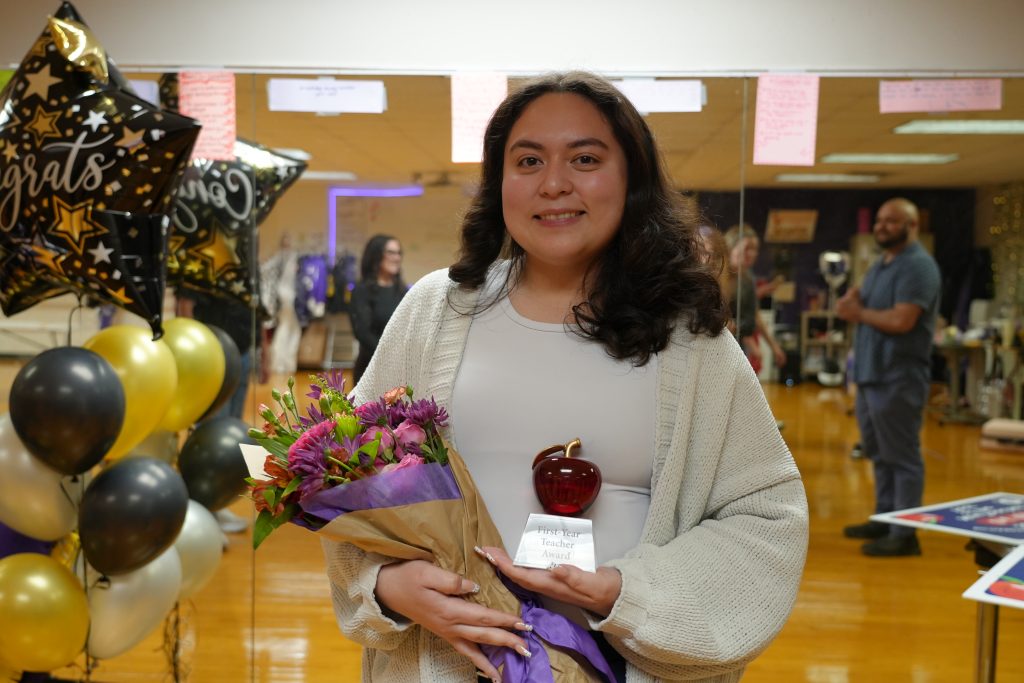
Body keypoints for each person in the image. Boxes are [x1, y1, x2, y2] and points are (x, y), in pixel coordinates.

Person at [321, 71, 807, 683]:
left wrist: (624, 594)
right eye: (528, 160)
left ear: (631, 180)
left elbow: (765, 515)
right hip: (447, 660)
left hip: (617, 664)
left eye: (585, 158)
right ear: (500, 182)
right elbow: (347, 484)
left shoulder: (691, 342)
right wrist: (387, 587)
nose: (554, 184)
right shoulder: (434, 312)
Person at [837, 198, 941, 557]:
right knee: (879, 454)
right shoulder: (881, 265)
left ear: (911, 226)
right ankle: (885, 518)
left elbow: (902, 320)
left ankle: (906, 534)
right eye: (878, 220)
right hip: (871, 376)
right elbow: (854, 303)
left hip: (899, 377)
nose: (881, 226)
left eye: (891, 221)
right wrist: (853, 303)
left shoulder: (919, 268)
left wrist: (859, 312)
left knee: (903, 457)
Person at [722, 225, 786, 375]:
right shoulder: (719, 275)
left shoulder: (747, 278)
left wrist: (773, 346)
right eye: (747, 248)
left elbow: (753, 314)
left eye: (755, 249)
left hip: (738, 342)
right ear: (731, 247)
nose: (752, 254)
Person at [348, 234, 406, 385]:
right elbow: (362, 333)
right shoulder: (362, 291)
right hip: (370, 370)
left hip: (400, 372)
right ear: (376, 255)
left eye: (399, 253)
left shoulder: (402, 291)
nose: (397, 257)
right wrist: (390, 356)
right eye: (391, 252)